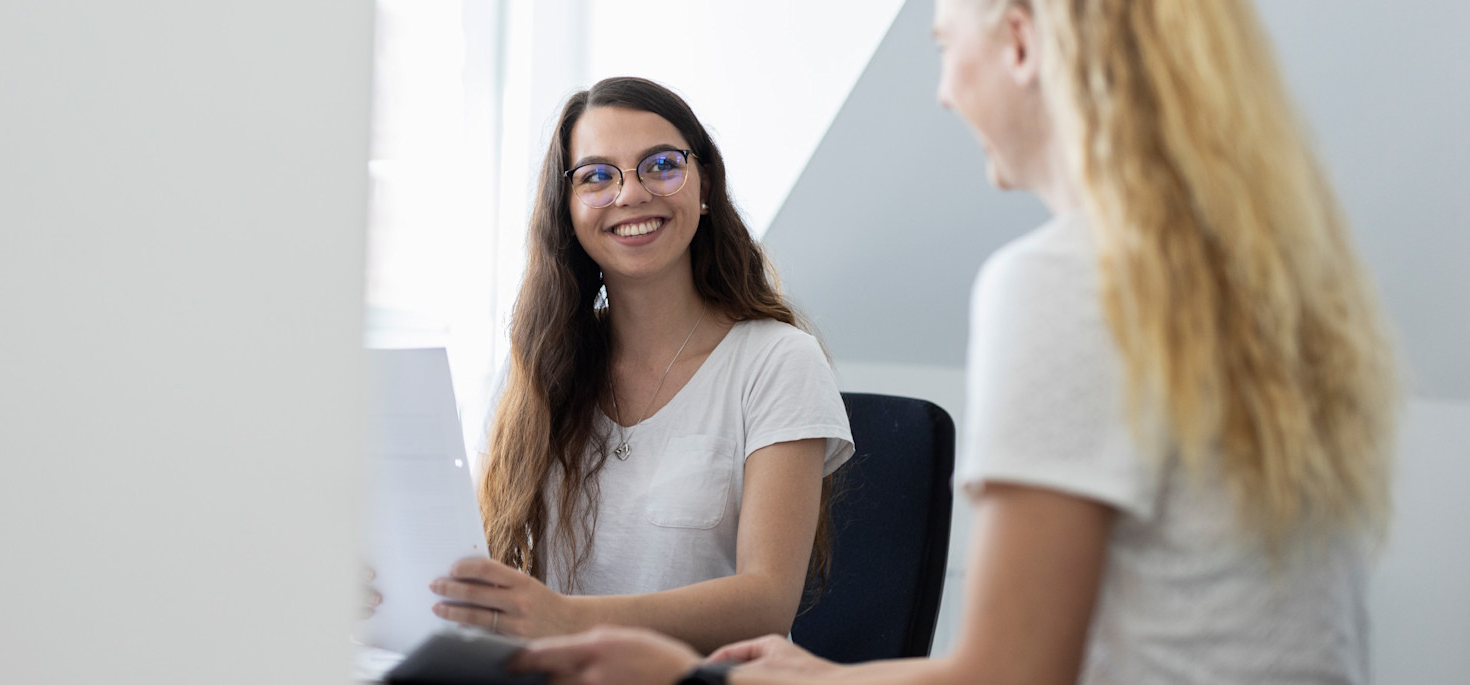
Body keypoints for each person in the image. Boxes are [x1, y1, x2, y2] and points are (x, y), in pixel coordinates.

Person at [509, 0, 1399, 683]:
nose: (942, 90)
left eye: (943, 46)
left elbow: (1013, 669)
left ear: (1017, 43)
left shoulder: (1062, 280)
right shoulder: (1276, 273)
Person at [427, 76, 854, 653]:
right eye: (597, 176)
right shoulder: (538, 366)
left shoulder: (778, 361)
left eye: (660, 165)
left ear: (703, 185)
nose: (630, 194)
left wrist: (562, 618)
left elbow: (766, 604)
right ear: (569, 208)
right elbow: (475, 559)